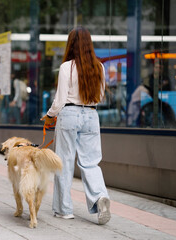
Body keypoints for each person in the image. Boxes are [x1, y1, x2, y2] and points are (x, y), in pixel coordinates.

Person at [40, 26, 111, 225]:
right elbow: (101, 96)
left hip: (69, 114)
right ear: (90, 44)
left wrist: (48, 116)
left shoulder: (66, 67)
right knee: (90, 162)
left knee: (64, 161)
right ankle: (99, 196)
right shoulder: (99, 67)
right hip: (91, 115)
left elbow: (60, 99)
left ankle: (64, 210)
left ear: (71, 44)